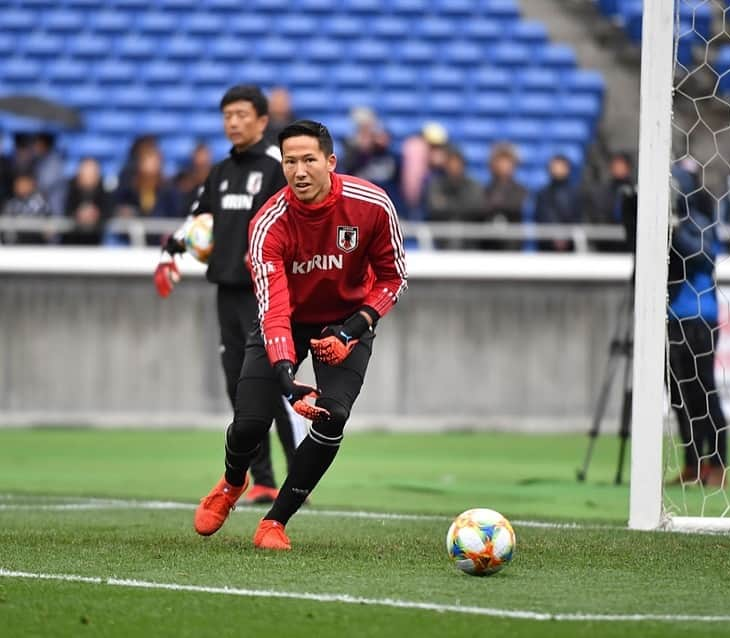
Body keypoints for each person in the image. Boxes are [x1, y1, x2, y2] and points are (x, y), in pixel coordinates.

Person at [193, 119, 407, 550]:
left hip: (348, 320)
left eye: (309, 160)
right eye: (290, 161)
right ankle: (233, 482)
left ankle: (275, 521)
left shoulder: (373, 205)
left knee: (335, 417)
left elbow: (393, 277)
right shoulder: (268, 223)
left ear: (331, 161)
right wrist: (288, 381)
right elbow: (273, 310)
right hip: (288, 319)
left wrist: (352, 329)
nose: (299, 170)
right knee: (249, 423)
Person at [154, 85, 300, 504]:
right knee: (239, 388)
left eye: (240, 114)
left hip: (267, 292)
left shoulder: (278, 166)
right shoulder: (219, 172)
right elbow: (198, 220)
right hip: (227, 292)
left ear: (261, 119)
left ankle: (297, 476)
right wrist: (170, 254)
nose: (233, 122)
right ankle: (264, 480)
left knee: (273, 383)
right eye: (227, 115)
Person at [666, 159, 727, 488]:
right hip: (674, 317)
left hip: (701, 317)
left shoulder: (700, 222)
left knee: (705, 390)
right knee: (681, 394)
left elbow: (704, 257)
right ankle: (692, 462)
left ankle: (718, 464)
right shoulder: (666, 223)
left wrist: (675, 230)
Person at [426, 146, 486, 249]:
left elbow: (477, 207)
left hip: (470, 239)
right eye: (451, 163)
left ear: (463, 165)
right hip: (442, 238)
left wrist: (446, 204)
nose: (454, 167)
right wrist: (463, 205)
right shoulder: (436, 185)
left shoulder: (473, 185)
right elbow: (433, 208)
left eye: (457, 163)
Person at [483, 142, 527, 251]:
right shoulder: (485, 190)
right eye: (500, 161)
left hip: (512, 247)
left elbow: (514, 206)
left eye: (507, 161)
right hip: (489, 246)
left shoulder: (520, 190)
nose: (504, 165)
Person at [534, 154, 580, 251]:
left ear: (568, 169)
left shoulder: (576, 194)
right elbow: (542, 217)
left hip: (571, 246)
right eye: (555, 167)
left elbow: (577, 217)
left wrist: (567, 238)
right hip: (547, 245)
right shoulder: (542, 194)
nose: (558, 170)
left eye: (561, 167)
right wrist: (554, 237)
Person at [63, 157, 111, 245]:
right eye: (86, 171)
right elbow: (62, 210)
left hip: (94, 244)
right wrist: (77, 214)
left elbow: (108, 212)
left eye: (92, 172)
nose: (89, 175)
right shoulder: (67, 189)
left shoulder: (104, 192)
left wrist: (95, 214)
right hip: (69, 244)